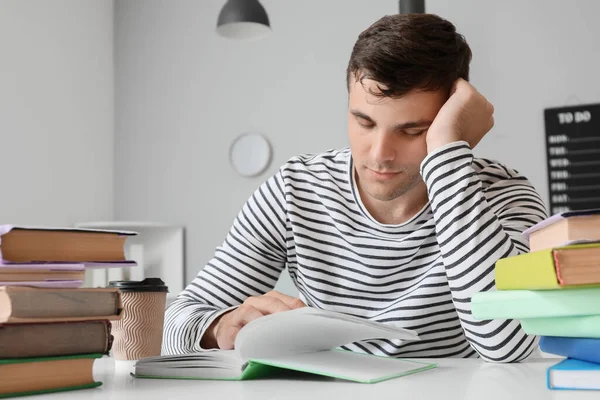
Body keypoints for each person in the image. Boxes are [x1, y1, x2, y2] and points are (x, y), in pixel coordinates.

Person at [162, 13, 547, 362]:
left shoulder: (505, 195)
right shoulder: (296, 190)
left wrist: (448, 155)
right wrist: (218, 327)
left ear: (454, 118)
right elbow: (171, 322)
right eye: (364, 122)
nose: (380, 154)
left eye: (413, 130)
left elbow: (509, 343)